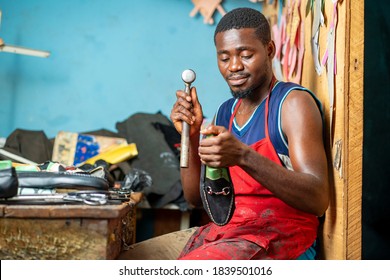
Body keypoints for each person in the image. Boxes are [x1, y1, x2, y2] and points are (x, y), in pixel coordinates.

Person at [169, 7, 329, 260]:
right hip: (233, 233)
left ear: (269, 50)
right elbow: (195, 200)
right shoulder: (225, 113)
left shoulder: (292, 103)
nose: (234, 66)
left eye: (245, 55)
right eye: (224, 58)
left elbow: (318, 199)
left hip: (285, 237)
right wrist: (191, 133)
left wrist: (244, 156)